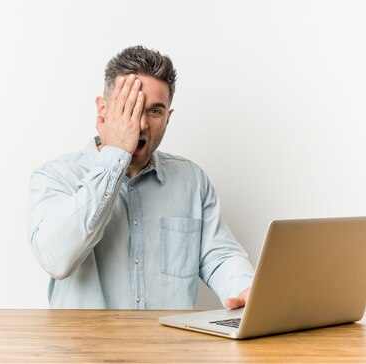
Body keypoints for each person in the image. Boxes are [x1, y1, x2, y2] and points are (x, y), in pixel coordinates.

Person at [27, 46, 254, 309]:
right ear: (102, 111)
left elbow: (219, 254)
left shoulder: (192, 180)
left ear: (168, 118)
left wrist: (246, 290)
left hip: (167, 347)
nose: (141, 124)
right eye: (130, 108)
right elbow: (56, 259)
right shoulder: (55, 176)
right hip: (86, 349)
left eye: (154, 111)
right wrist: (116, 155)